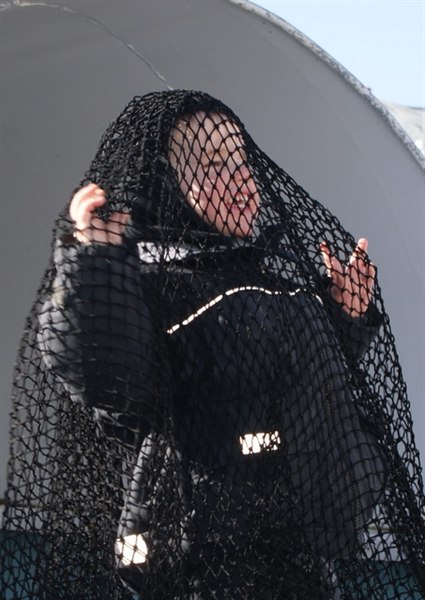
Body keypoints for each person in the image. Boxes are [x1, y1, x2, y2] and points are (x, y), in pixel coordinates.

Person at [4, 91, 424, 600]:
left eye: (242, 160)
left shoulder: (274, 283)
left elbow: (298, 385)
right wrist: (93, 265)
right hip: (195, 567)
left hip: (294, 559)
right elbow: (109, 380)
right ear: (164, 181)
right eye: (213, 163)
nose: (240, 179)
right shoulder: (147, 285)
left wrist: (344, 317)